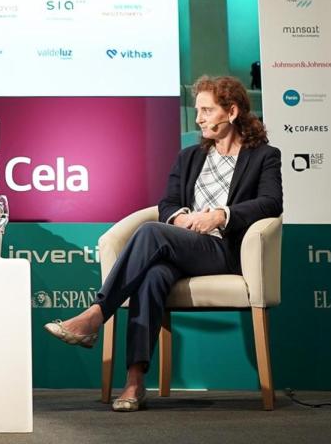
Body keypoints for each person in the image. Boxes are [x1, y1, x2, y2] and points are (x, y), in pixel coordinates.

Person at [43, 75, 282, 412]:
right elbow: (167, 204)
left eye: (206, 110)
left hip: (222, 251)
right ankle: (135, 381)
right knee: (152, 276)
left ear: (231, 111)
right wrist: (180, 218)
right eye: (197, 110)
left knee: (151, 232)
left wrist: (220, 215)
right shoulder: (189, 157)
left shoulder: (263, 156)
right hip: (180, 245)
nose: (198, 118)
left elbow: (271, 203)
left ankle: (97, 314)